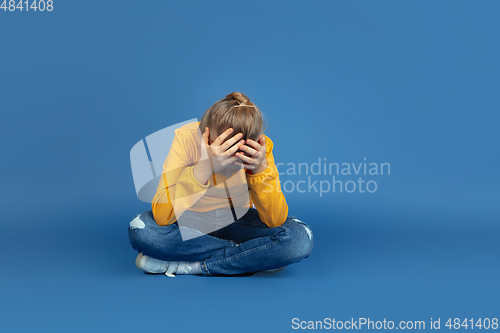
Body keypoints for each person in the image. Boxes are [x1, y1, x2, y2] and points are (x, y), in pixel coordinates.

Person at [128, 92, 314, 277]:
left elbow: (275, 220)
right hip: (189, 219)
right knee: (142, 230)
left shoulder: (261, 148)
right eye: (226, 147)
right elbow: (162, 216)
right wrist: (205, 167)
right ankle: (254, 256)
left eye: (240, 149)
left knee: (300, 238)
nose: (232, 158)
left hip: (236, 220)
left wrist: (260, 169)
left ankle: (194, 266)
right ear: (206, 134)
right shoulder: (187, 138)